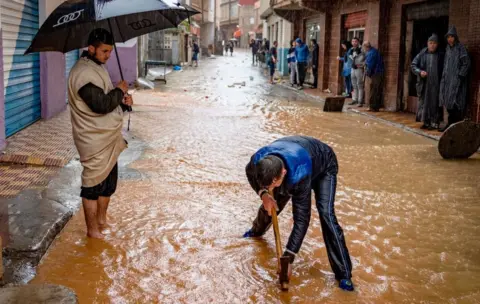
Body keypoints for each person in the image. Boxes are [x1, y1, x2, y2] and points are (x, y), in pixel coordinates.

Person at [243, 136, 354, 291]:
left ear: (282, 173)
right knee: (271, 203)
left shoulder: (298, 175)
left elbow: (302, 220)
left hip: (323, 166)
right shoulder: (257, 161)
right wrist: (264, 194)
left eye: (273, 184)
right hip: (296, 155)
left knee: (326, 214)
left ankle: (344, 275)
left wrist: (288, 258)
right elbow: (250, 175)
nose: (271, 187)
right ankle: (256, 232)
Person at [68, 28, 133, 239]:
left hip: (108, 137)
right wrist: (119, 90)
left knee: (108, 185)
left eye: (110, 51)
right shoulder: (83, 72)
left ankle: (102, 221)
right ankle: (92, 231)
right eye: (104, 51)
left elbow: (109, 105)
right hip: (92, 139)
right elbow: (100, 104)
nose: (108, 56)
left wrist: (124, 105)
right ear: (91, 48)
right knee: (93, 185)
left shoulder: (97, 67)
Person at [439, 26, 471, 132]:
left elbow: (466, 63)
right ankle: (450, 124)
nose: (450, 39)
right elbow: (446, 65)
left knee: (456, 103)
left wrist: (461, 75)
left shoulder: (460, 48)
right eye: (448, 37)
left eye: (452, 37)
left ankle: (455, 126)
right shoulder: (448, 49)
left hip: (457, 81)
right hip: (447, 80)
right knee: (448, 102)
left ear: (455, 37)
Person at [411, 34, 445, 130]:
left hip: (436, 84)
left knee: (435, 103)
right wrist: (419, 72)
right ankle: (426, 122)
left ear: (437, 44)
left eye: (434, 43)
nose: (432, 45)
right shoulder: (422, 54)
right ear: (427, 43)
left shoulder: (441, 55)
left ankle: (434, 122)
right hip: (424, 84)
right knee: (424, 103)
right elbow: (413, 65)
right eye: (430, 43)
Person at [364, 41, 385, 112]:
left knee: (374, 90)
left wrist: (367, 73)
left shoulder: (371, 53)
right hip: (378, 72)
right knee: (376, 89)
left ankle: (373, 107)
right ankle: (375, 107)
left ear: (366, 47)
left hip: (376, 73)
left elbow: (370, 65)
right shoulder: (374, 51)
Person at [349, 37, 365, 106]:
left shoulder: (362, 49)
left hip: (359, 68)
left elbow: (364, 59)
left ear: (358, 42)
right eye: (352, 41)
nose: (354, 43)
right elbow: (351, 57)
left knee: (360, 85)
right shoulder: (352, 49)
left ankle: (360, 101)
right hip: (353, 68)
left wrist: (361, 65)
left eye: (355, 41)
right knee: (354, 85)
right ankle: (355, 99)